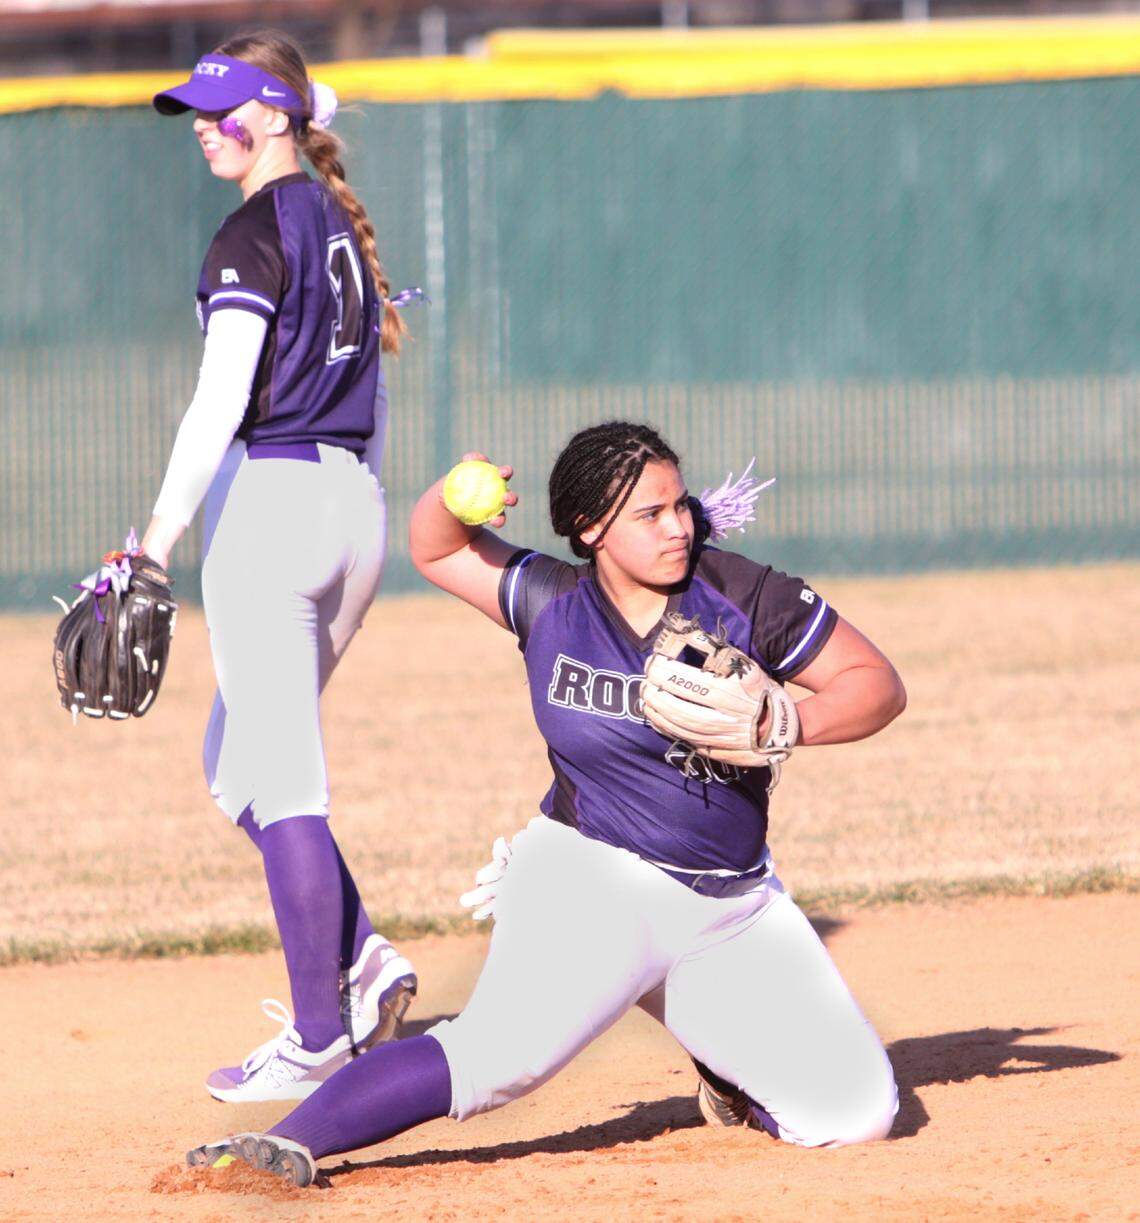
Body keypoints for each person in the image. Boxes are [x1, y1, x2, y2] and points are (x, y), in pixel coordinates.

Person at [187, 420, 907, 1184]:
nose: (678, 527)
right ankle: (285, 1140)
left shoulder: (740, 594)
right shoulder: (550, 600)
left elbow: (877, 684)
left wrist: (789, 719)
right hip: (591, 879)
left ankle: (729, 1070)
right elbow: (436, 546)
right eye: (650, 514)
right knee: (497, 1058)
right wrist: (455, 494)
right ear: (591, 529)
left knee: (856, 1112)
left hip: (733, 903)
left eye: (680, 506)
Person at [142, 30, 418, 1103]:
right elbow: (374, 398)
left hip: (272, 504)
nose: (206, 128)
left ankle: (317, 1033)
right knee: (237, 759)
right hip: (351, 504)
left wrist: (154, 536)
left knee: (284, 778)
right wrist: (356, 505)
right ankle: (365, 960)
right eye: (199, 112)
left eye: (223, 110)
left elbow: (221, 401)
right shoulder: (339, 224)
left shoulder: (252, 231)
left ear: (275, 115)